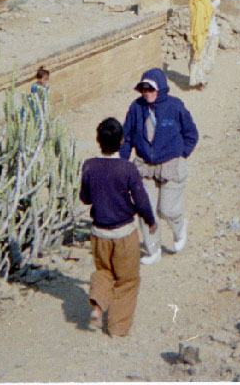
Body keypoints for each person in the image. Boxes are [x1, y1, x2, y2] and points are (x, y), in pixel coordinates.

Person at [80, 117, 156, 337]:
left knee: (104, 272)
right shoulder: (127, 168)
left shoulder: (89, 166)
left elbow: (85, 198)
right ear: (122, 141)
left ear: (98, 141)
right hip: (124, 232)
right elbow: (141, 199)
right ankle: (117, 327)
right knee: (127, 280)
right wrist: (150, 220)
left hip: (99, 233)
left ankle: (98, 305)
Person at [120, 68, 199, 264]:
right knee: (145, 209)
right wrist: (122, 163)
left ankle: (179, 228)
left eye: (151, 89)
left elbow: (191, 133)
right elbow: (127, 138)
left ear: (160, 88)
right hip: (145, 166)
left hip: (171, 165)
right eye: (143, 89)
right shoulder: (136, 108)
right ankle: (153, 250)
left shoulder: (175, 106)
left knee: (167, 209)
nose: (147, 93)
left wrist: (182, 154)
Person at [187, 0, 219, 90]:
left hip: (199, 37)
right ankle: (203, 80)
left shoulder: (194, 8)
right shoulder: (211, 6)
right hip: (212, 35)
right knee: (208, 58)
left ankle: (197, 79)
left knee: (197, 58)